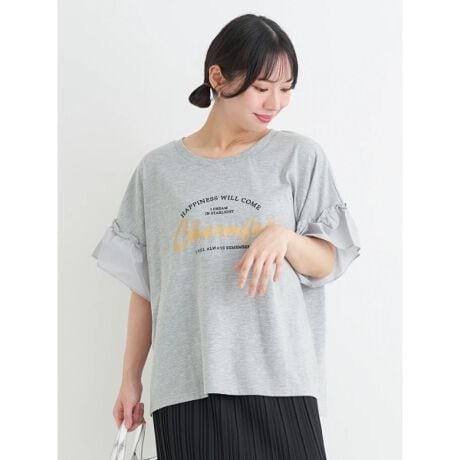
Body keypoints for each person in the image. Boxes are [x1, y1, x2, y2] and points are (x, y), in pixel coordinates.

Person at [92, 13, 361, 460]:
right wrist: (130, 380)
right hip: (187, 387)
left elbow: (328, 261)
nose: (276, 102)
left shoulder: (298, 157)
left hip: (279, 381)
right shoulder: (158, 172)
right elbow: (146, 287)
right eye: (262, 87)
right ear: (218, 77)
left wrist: (285, 238)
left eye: (286, 88)